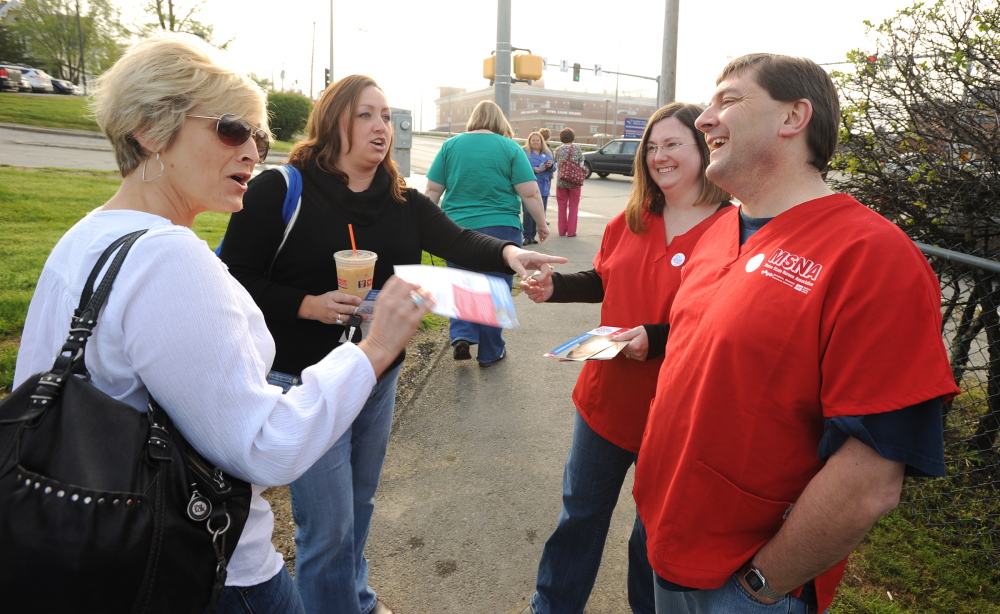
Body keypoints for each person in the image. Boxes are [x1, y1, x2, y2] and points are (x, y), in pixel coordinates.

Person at [12, 35, 435, 614]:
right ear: (151, 130)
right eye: (232, 130)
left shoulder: (88, 235)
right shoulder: (170, 260)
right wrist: (376, 347)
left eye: (260, 138)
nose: (253, 152)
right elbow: (265, 447)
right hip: (207, 564)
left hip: (92, 539)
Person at [218, 76, 566, 614]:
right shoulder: (280, 190)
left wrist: (510, 256)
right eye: (366, 115)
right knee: (328, 528)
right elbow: (234, 277)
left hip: (378, 377)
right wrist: (307, 304)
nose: (381, 127)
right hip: (307, 381)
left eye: (385, 116)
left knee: (358, 506)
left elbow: (457, 240)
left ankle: (352, 596)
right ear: (332, 121)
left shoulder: (400, 198)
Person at [632, 54, 960, 614]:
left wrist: (761, 587)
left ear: (794, 117)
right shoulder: (718, 232)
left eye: (729, 100)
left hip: (743, 582)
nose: (705, 119)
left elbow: (872, 476)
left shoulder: (873, 257)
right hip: (663, 539)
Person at [518, 103, 733, 614]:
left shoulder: (734, 230)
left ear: (703, 149)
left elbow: (727, 320)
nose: (659, 156)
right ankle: (550, 607)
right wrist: (556, 287)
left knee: (651, 535)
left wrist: (655, 339)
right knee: (580, 516)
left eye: (673, 144)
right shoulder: (631, 218)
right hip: (606, 401)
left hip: (678, 412)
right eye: (652, 147)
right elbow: (604, 279)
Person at [424, 100, 549, 367]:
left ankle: (461, 335)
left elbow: (432, 190)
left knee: (460, 283)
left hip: (455, 229)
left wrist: (425, 225)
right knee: (494, 291)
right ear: (499, 121)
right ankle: (491, 352)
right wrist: (541, 223)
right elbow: (529, 192)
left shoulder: (451, 145)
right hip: (501, 230)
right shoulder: (510, 148)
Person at [522, 131, 555, 246]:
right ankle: (527, 236)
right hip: (529, 186)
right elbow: (519, 166)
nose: (536, 142)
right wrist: (533, 169)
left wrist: (551, 165)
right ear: (529, 142)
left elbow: (554, 168)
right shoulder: (524, 152)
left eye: (538, 140)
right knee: (528, 212)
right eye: (533, 140)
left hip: (543, 186)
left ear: (541, 141)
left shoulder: (547, 152)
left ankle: (535, 235)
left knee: (540, 212)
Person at [553, 128, 585, 237]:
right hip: (575, 182)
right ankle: (571, 232)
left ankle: (561, 231)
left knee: (561, 206)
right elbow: (581, 165)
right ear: (573, 137)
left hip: (561, 181)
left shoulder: (558, 150)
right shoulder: (577, 149)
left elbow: (557, 164)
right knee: (573, 206)